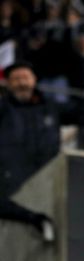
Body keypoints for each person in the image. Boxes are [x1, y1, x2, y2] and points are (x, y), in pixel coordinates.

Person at [0, 62, 58, 240]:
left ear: (34, 80)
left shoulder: (51, 107)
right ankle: (37, 220)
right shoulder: (3, 109)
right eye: (16, 79)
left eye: (25, 78)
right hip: (10, 177)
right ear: (8, 84)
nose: (22, 83)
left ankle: (40, 221)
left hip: (48, 175)